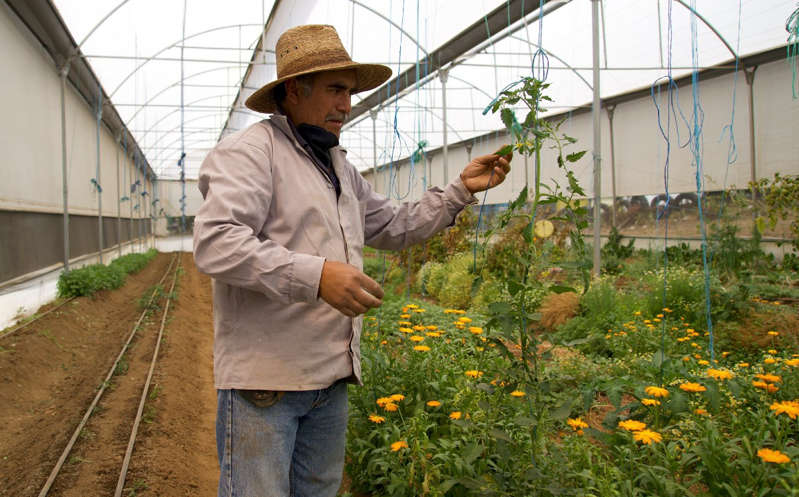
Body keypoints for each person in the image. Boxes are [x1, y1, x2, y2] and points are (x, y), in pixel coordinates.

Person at [193, 24, 511, 497]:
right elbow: (216, 242)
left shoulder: (337, 164)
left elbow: (391, 224)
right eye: (336, 90)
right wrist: (317, 276)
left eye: (350, 92)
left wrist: (460, 191)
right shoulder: (252, 153)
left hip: (329, 379)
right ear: (295, 90)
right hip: (268, 384)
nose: (347, 104)